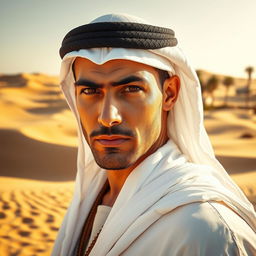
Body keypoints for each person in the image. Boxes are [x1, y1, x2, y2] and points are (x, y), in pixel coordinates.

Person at [52, 13, 256, 256]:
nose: (108, 117)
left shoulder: (206, 230)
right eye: (89, 91)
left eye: (130, 89)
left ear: (169, 94)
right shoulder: (92, 194)